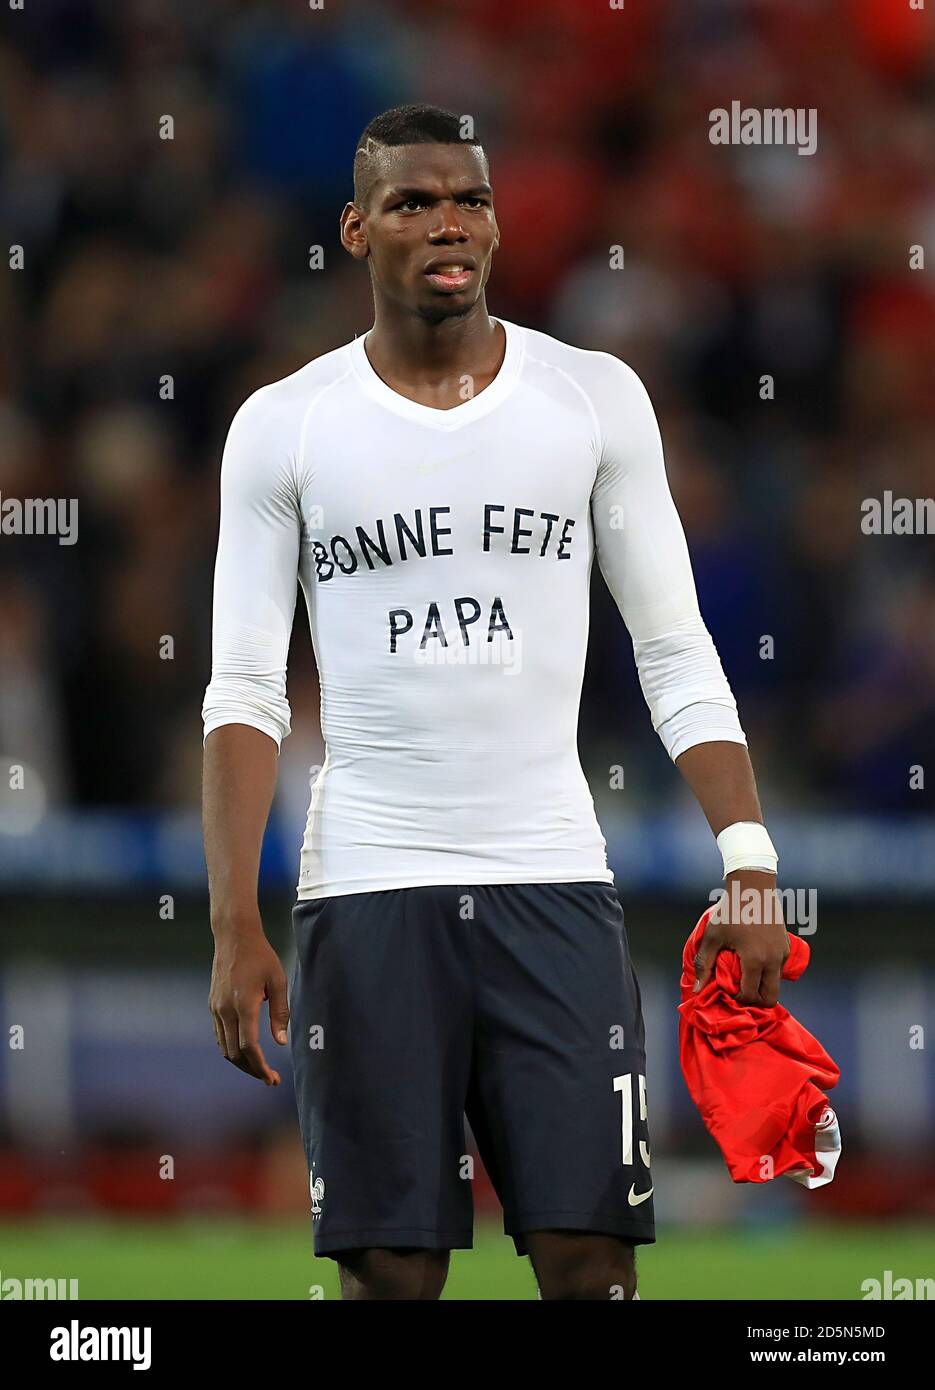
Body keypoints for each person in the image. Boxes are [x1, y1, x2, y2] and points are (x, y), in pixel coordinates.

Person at [202, 103, 788, 1301]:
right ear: (356, 229)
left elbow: (673, 648)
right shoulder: (284, 426)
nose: (447, 223)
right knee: (393, 1278)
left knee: (592, 1267)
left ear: (498, 221)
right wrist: (231, 920)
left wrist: (747, 854)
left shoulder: (590, 398)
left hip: (552, 882)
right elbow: (246, 689)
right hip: (366, 889)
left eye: (467, 197)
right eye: (413, 202)